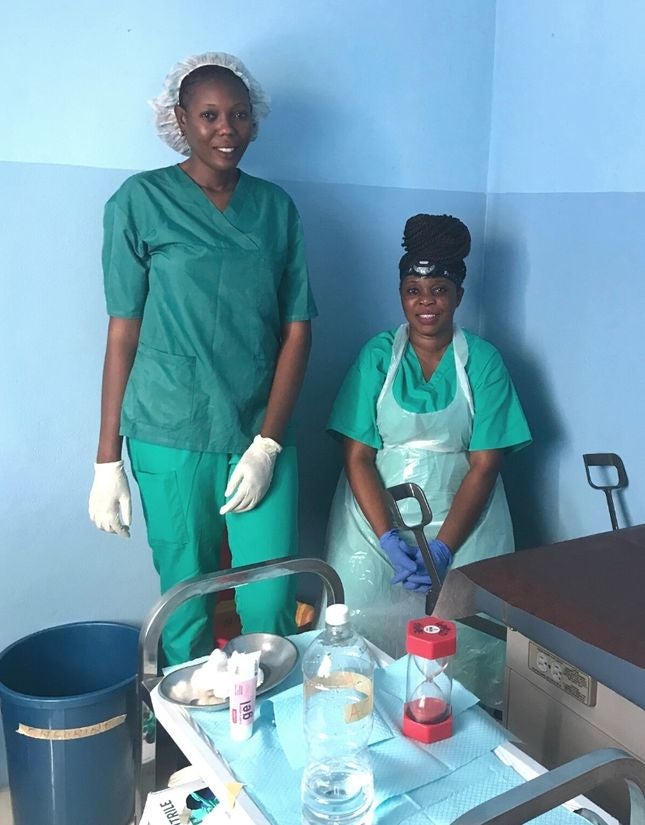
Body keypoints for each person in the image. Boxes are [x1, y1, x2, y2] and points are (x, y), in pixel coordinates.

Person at [88, 53, 317, 666]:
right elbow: (122, 334)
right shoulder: (138, 202)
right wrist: (106, 459)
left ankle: (270, 745)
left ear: (254, 123)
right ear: (180, 122)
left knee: (271, 602)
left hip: (257, 426)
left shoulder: (276, 210)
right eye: (210, 115)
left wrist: (268, 443)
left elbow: (298, 332)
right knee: (186, 602)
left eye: (239, 115)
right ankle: (193, 745)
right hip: (169, 429)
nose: (227, 129)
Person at [324, 214, 531, 708]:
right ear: (400, 294)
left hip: (467, 524)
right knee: (363, 625)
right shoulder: (378, 355)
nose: (425, 302)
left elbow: (485, 464)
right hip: (374, 523)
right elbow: (357, 456)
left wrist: (442, 548)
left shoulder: (482, 361)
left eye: (439, 289)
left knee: (467, 639)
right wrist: (389, 539)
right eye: (413, 289)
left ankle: (461, 735)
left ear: (458, 295)